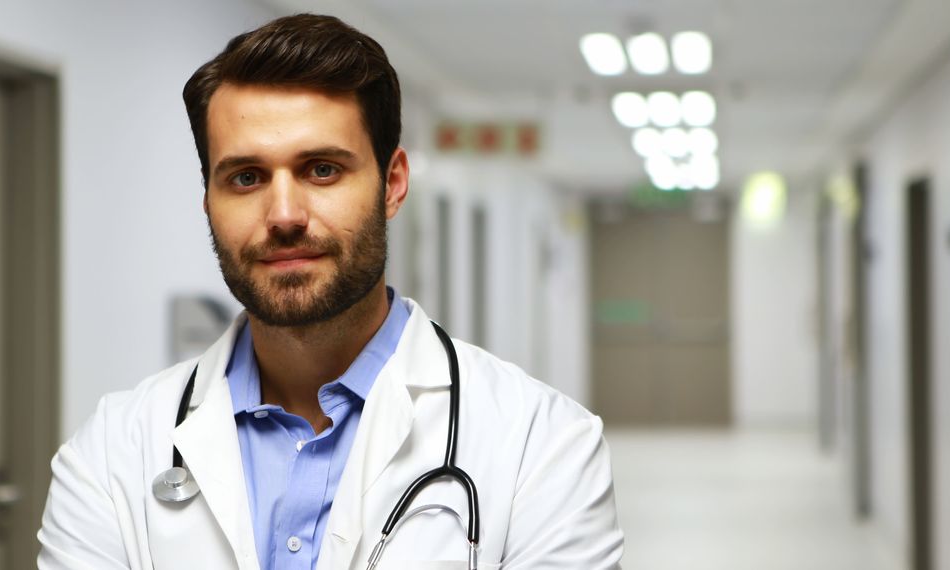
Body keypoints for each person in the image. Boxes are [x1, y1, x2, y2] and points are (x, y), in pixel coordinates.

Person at [37, 13, 623, 570]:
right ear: (208, 201)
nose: (285, 214)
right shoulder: (111, 454)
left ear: (392, 185)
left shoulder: (543, 447)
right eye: (246, 178)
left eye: (322, 169)